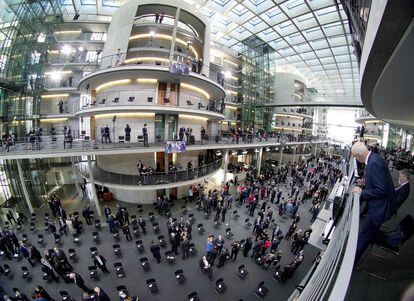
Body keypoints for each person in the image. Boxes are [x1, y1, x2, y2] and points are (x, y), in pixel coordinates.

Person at [352, 141, 395, 263]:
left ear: (359, 156)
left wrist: (361, 192)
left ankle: (351, 261)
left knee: (365, 235)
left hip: (379, 208)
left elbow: (381, 189)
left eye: (355, 157)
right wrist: (365, 182)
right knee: (366, 234)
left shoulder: (373, 163)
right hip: (378, 206)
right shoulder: (374, 159)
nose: (357, 160)